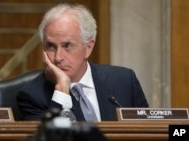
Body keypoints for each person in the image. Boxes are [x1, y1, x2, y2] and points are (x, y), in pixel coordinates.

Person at [16, 3, 149, 121]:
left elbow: (150, 132)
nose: (57, 57)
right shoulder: (31, 96)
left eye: (67, 45)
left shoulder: (124, 81)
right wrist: (62, 89)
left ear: (88, 47)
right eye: (51, 46)